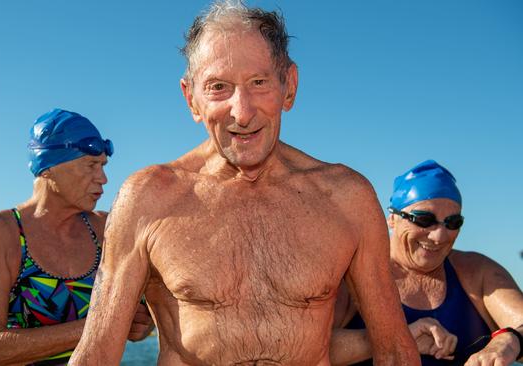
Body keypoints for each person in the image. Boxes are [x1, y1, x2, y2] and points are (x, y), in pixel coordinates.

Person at [69, 1, 419, 365]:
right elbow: (96, 353)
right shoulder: (149, 199)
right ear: (191, 99)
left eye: (259, 82)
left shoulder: (347, 199)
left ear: (289, 86)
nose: (242, 112)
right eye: (219, 87)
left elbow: (394, 351)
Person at [0, 109, 154, 366]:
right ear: (50, 168)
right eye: (91, 165)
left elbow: (143, 309)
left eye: (103, 166)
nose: (103, 178)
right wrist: (103, 324)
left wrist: (143, 322)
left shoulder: (105, 228)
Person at [331, 160, 523, 366]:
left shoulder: (477, 271)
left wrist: (509, 341)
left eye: (453, 223)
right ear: (392, 219)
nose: (439, 236)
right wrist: (395, 339)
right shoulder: (354, 274)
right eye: (423, 219)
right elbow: (306, 350)